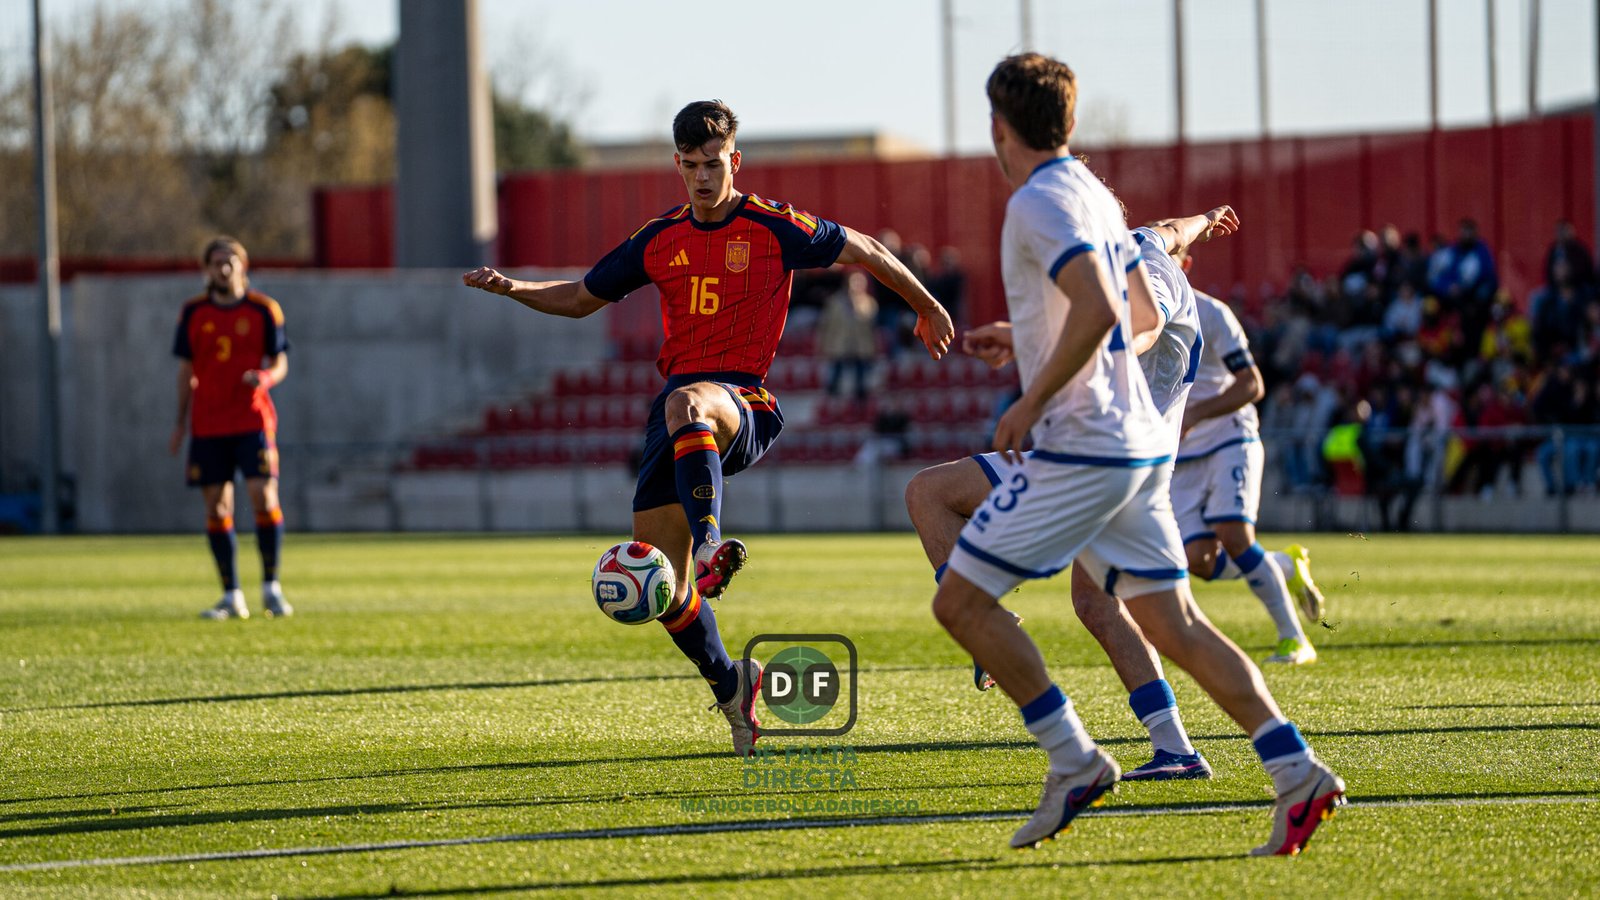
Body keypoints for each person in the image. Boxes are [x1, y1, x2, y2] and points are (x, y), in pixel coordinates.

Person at [921, 53, 1343, 855]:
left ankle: (1074, 759)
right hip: (1143, 448)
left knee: (961, 604)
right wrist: (1029, 336)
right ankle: (1298, 774)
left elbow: (1108, 306)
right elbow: (1137, 305)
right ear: (1070, 123)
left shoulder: (1035, 203)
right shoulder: (1092, 194)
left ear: (998, 128)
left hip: (1085, 447)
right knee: (1175, 623)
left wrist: (1033, 396)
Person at [463, 100, 953, 756]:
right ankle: (732, 686)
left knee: (689, 402)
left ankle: (712, 543)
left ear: (735, 161)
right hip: (678, 417)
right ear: (677, 164)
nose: (702, 176)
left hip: (743, 402)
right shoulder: (659, 238)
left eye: (713, 164)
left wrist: (925, 304)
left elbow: (863, 249)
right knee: (662, 582)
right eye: (690, 165)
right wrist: (514, 289)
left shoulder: (775, 225)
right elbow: (581, 297)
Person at [907, 202, 1229, 785]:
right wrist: (1208, 218)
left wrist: (1049, 355)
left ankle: (987, 625)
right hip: (1132, 464)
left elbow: (1145, 323)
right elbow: (1175, 230)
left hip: (1101, 459)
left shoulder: (1134, 266)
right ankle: (1178, 748)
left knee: (928, 493)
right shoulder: (1140, 243)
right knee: (1102, 606)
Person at [1175, 289, 1325, 664]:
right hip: (1181, 453)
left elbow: (1252, 384)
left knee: (1235, 535)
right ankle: (1284, 565)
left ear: (1185, 262)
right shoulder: (1131, 313)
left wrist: (1195, 415)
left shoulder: (1212, 313)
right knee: (1199, 561)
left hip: (1229, 436)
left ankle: (1294, 639)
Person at [170, 236, 292, 620]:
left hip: (252, 419)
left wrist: (265, 378)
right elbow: (185, 371)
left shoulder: (263, 310)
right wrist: (179, 422)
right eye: (216, 262)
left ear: (243, 265)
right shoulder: (192, 313)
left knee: (263, 496)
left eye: (231, 261)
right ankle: (231, 595)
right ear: (206, 269)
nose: (224, 268)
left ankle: (271, 587)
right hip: (207, 422)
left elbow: (280, 361)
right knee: (217, 506)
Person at [816, 270, 879, 403]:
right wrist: (823, 343)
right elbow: (826, 325)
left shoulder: (869, 303)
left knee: (861, 379)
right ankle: (832, 400)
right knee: (835, 377)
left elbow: (871, 327)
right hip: (839, 345)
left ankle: (860, 402)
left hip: (861, 346)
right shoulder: (834, 302)